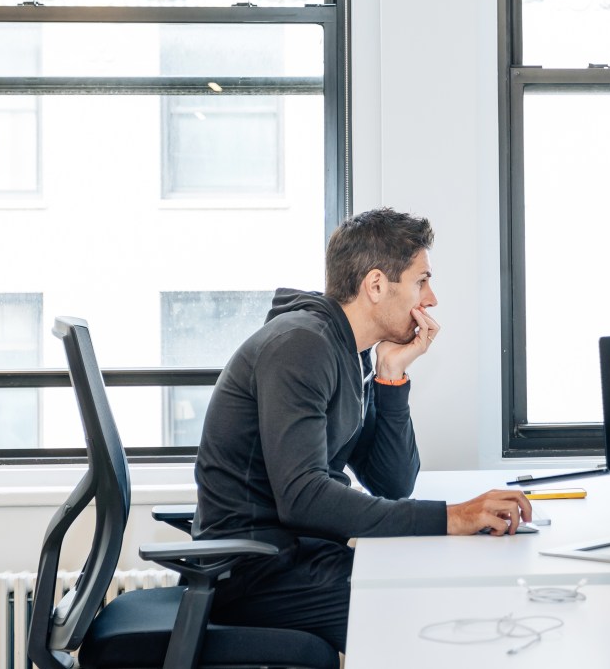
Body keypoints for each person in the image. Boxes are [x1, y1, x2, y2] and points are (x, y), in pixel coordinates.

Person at [192, 207, 532, 654]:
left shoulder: (347, 352)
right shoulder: (302, 346)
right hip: (257, 572)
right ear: (376, 285)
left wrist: (390, 376)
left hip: (295, 555)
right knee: (439, 614)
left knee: (437, 584)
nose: (430, 299)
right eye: (421, 281)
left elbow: (393, 483)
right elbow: (303, 497)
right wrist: (452, 516)